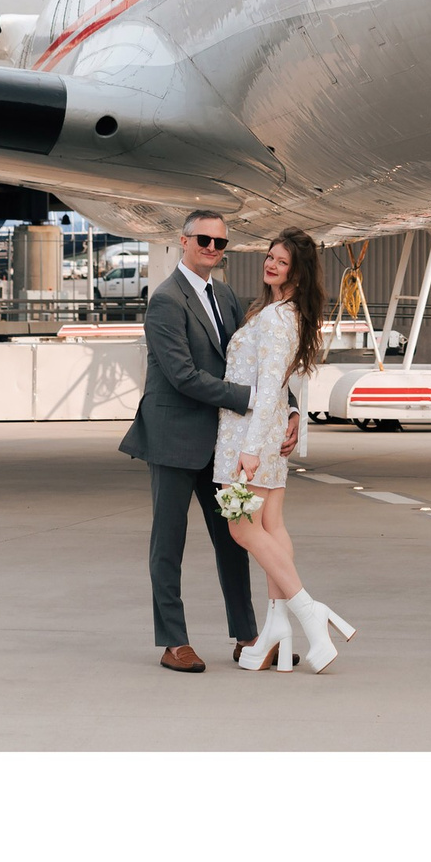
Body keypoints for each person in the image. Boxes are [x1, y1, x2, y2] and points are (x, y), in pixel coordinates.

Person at [120, 208, 298, 671]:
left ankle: (247, 636)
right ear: (183, 241)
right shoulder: (165, 299)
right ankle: (173, 641)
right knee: (169, 540)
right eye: (204, 240)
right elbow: (182, 375)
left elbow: (257, 358)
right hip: (174, 436)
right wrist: (252, 399)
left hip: (222, 441)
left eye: (220, 243)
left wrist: (289, 406)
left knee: (233, 538)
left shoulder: (225, 294)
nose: (212, 249)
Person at [215, 228, 355, 674]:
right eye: (270, 257)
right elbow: (290, 387)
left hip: (249, 434)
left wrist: (251, 450)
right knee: (271, 525)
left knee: (241, 529)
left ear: (298, 271)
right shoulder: (280, 311)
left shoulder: (277, 318)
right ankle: (277, 626)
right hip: (269, 433)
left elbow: (272, 386)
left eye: (282, 261)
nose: (271, 264)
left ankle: (310, 613)